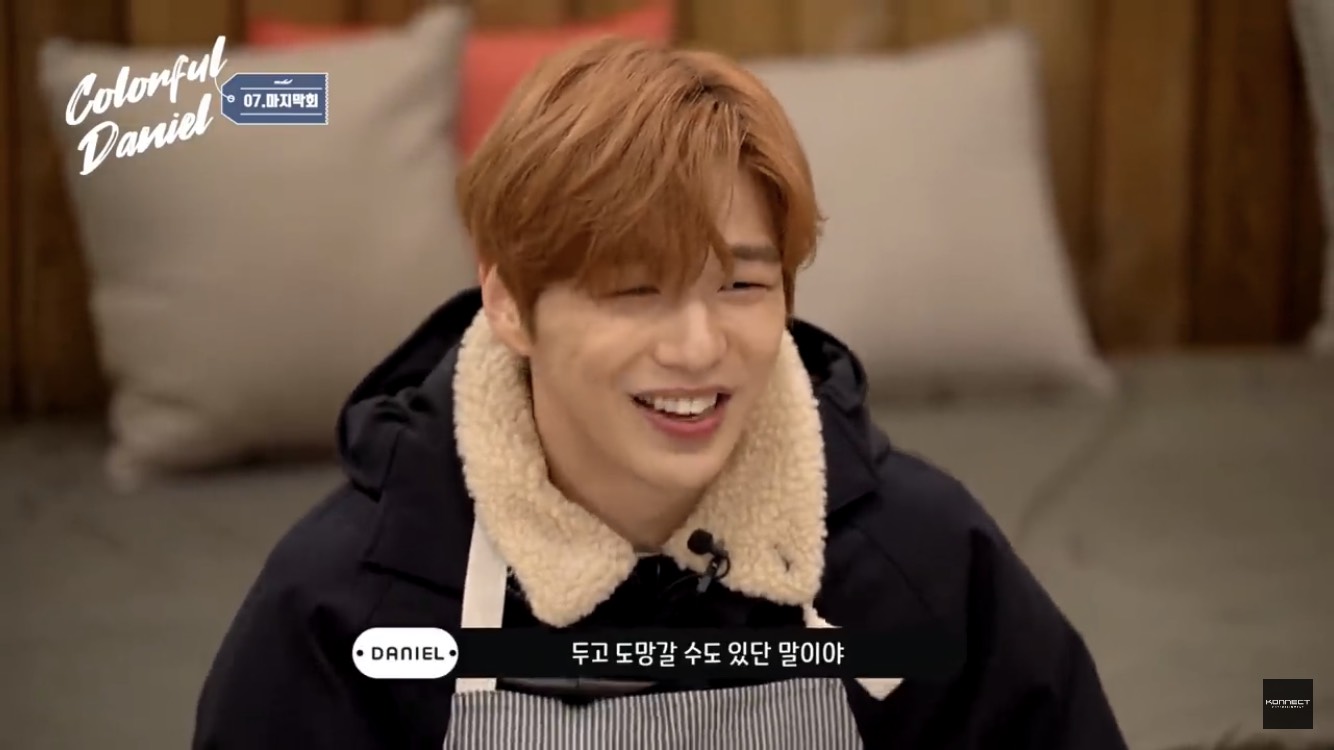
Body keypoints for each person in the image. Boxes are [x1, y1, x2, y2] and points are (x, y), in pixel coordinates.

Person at [192, 36, 1127, 749]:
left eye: (743, 285)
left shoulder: (922, 562)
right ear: (510, 305)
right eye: (635, 290)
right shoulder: (345, 604)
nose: (697, 347)